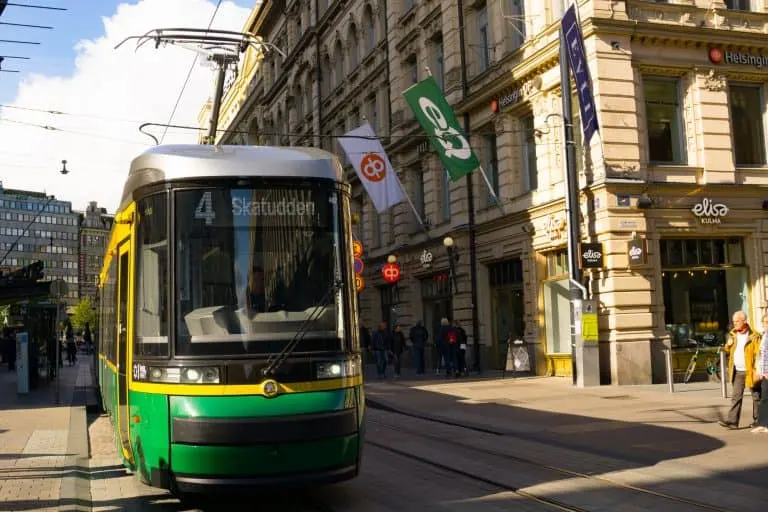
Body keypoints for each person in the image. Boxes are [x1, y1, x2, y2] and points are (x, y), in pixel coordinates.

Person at [719, 311, 762, 430]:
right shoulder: (733, 334)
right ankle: (732, 421)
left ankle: (758, 420)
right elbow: (728, 350)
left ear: (744, 321)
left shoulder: (754, 336)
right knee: (736, 396)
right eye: (733, 321)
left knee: (756, 396)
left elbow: (758, 354)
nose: (735, 324)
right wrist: (728, 345)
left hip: (750, 371)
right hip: (737, 371)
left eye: (737, 321)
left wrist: (758, 370)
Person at [752, 313, 768, 433]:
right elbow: (761, 355)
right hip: (765, 373)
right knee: (764, 398)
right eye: (764, 322)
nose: (765, 325)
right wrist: (760, 371)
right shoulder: (764, 336)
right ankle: (763, 423)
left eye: (767, 322)